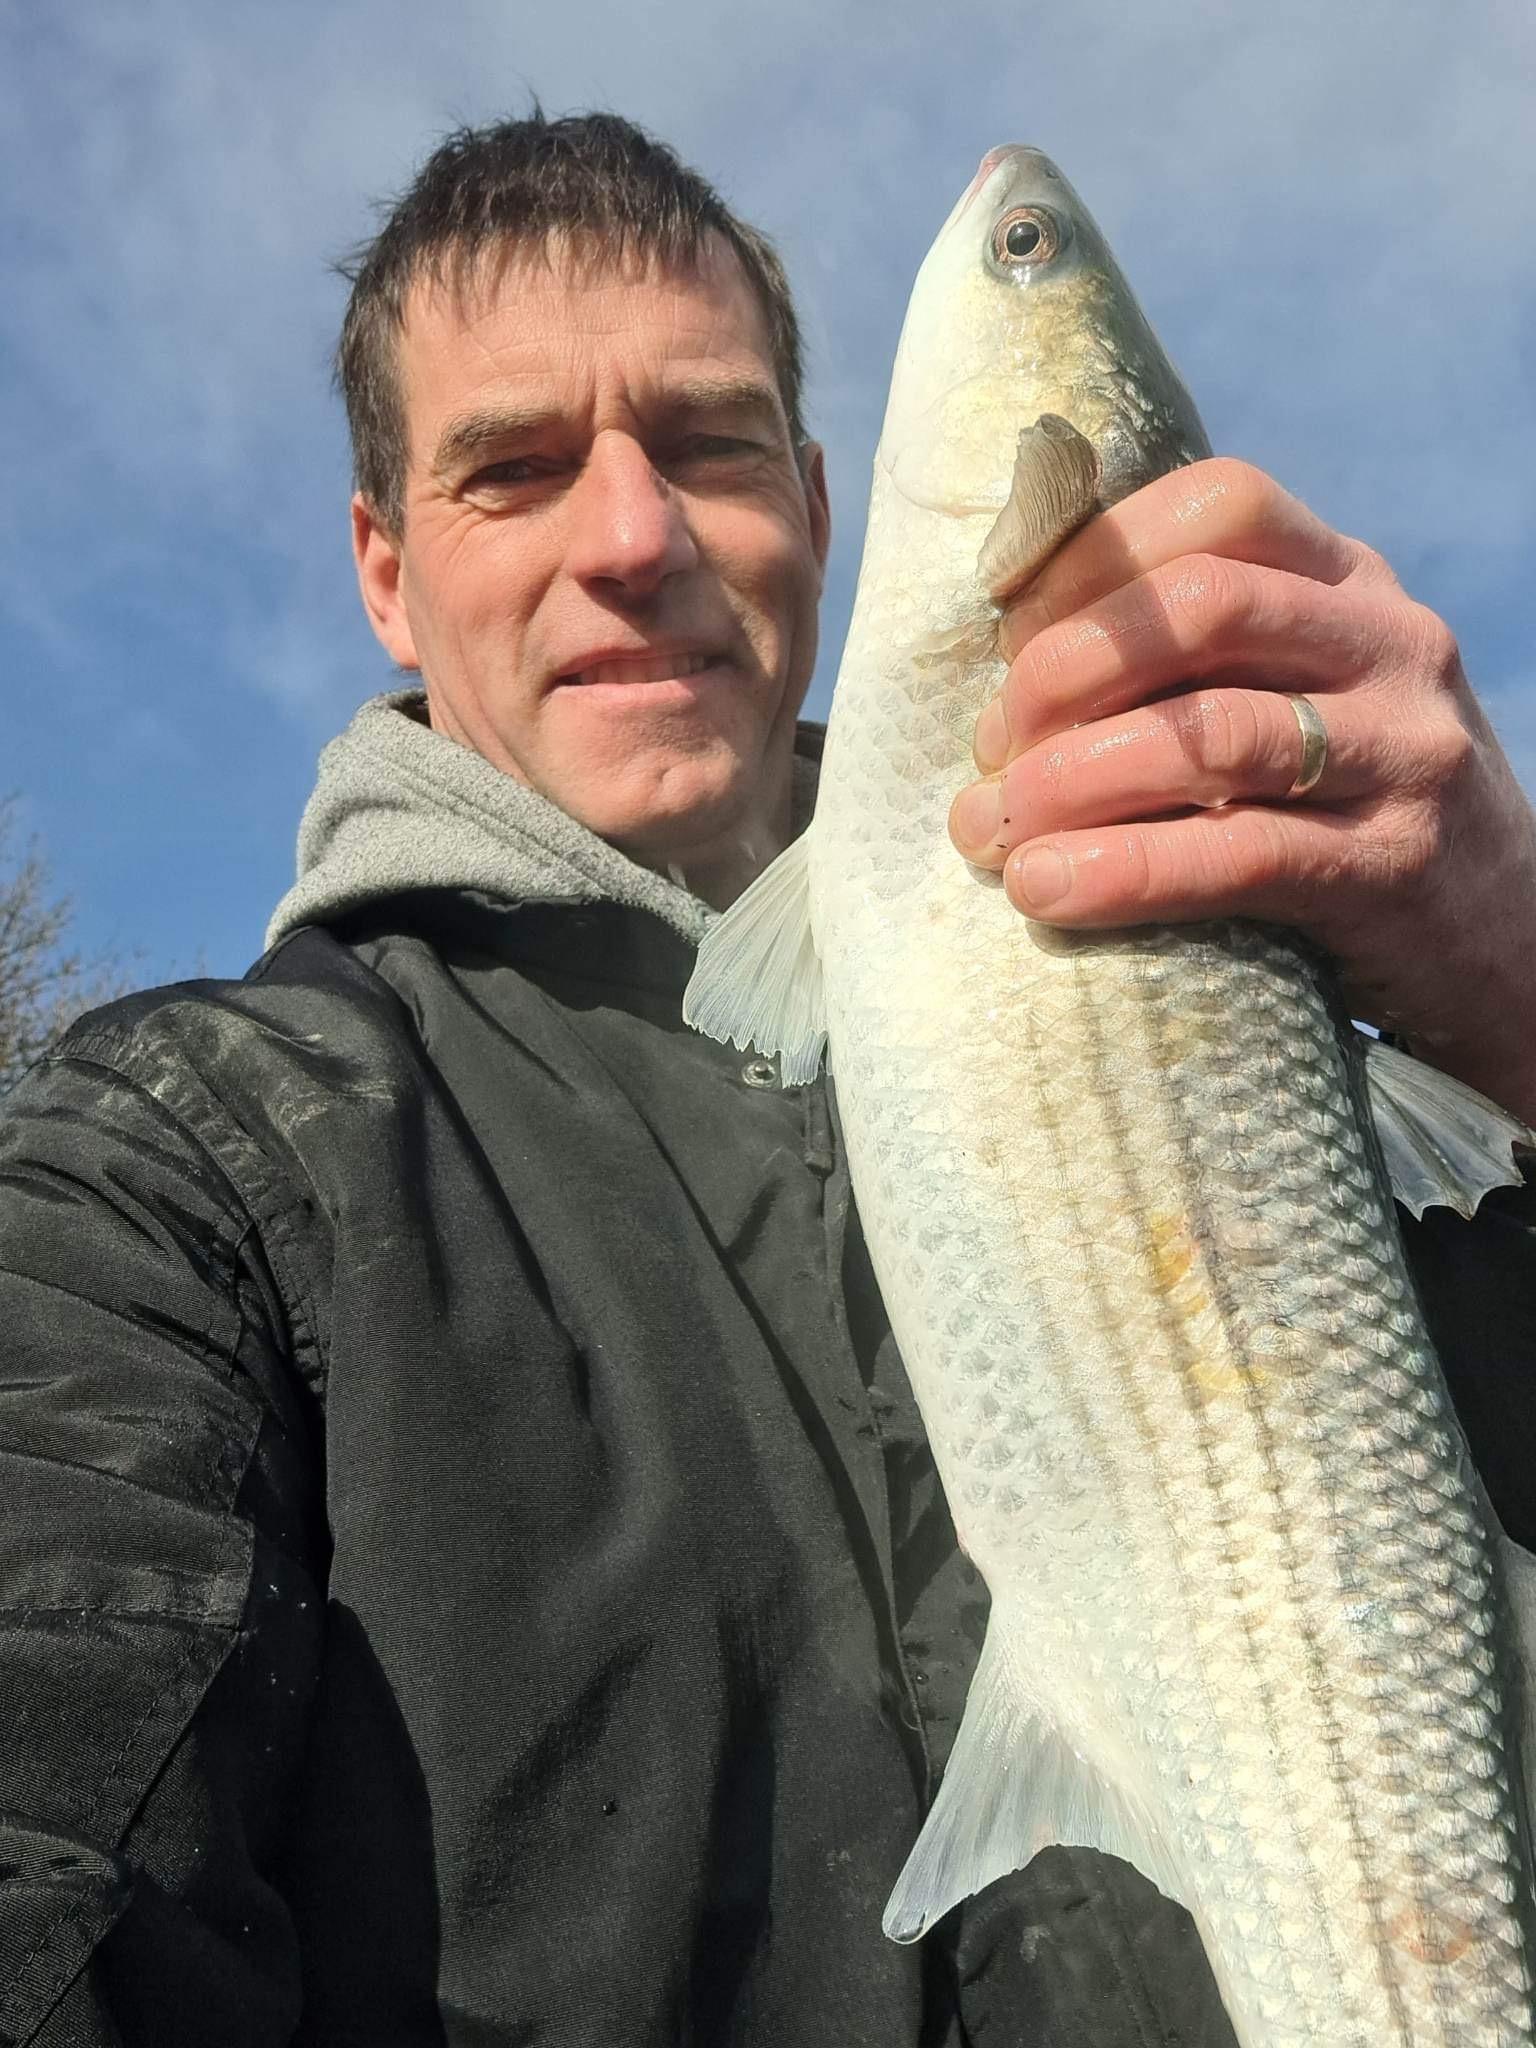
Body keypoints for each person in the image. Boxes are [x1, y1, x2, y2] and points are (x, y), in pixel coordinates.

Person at [2, 110, 1534, 2048]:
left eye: (709, 444)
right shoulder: (175, 1178)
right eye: (517, 469)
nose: (631, 536)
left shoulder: (1268, 1019)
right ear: (386, 572)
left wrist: (1520, 1009)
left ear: (821, 502)